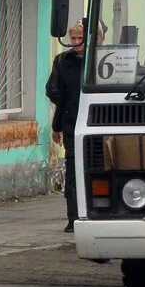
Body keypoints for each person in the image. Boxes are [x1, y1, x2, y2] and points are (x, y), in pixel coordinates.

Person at [46, 20, 85, 233]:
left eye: (81, 39)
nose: (76, 43)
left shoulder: (101, 61)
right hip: (71, 123)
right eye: (74, 39)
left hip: (95, 123)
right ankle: (73, 217)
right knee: (72, 172)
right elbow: (55, 92)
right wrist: (57, 126)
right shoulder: (63, 61)